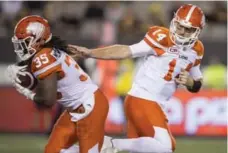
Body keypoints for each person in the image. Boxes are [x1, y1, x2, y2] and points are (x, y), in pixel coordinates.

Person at [69, 4, 206, 153]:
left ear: (197, 31)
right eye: (180, 26)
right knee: (165, 147)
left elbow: (197, 82)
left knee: (147, 149)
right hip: (143, 99)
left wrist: (190, 82)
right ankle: (110, 143)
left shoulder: (197, 49)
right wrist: (90, 53)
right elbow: (126, 51)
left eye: (189, 29)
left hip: (156, 104)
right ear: (174, 22)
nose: (182, 32)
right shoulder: (161, 37)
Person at [5, 15, 109, 153]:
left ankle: (106, 148)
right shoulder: (48, 51)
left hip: (89, 107)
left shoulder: (43, 57)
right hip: (77, 107)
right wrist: (27, 79)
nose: (21, 47)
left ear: (38, 39)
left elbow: (48, 101)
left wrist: (27, 92)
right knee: (53, 150)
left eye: (25, 42)